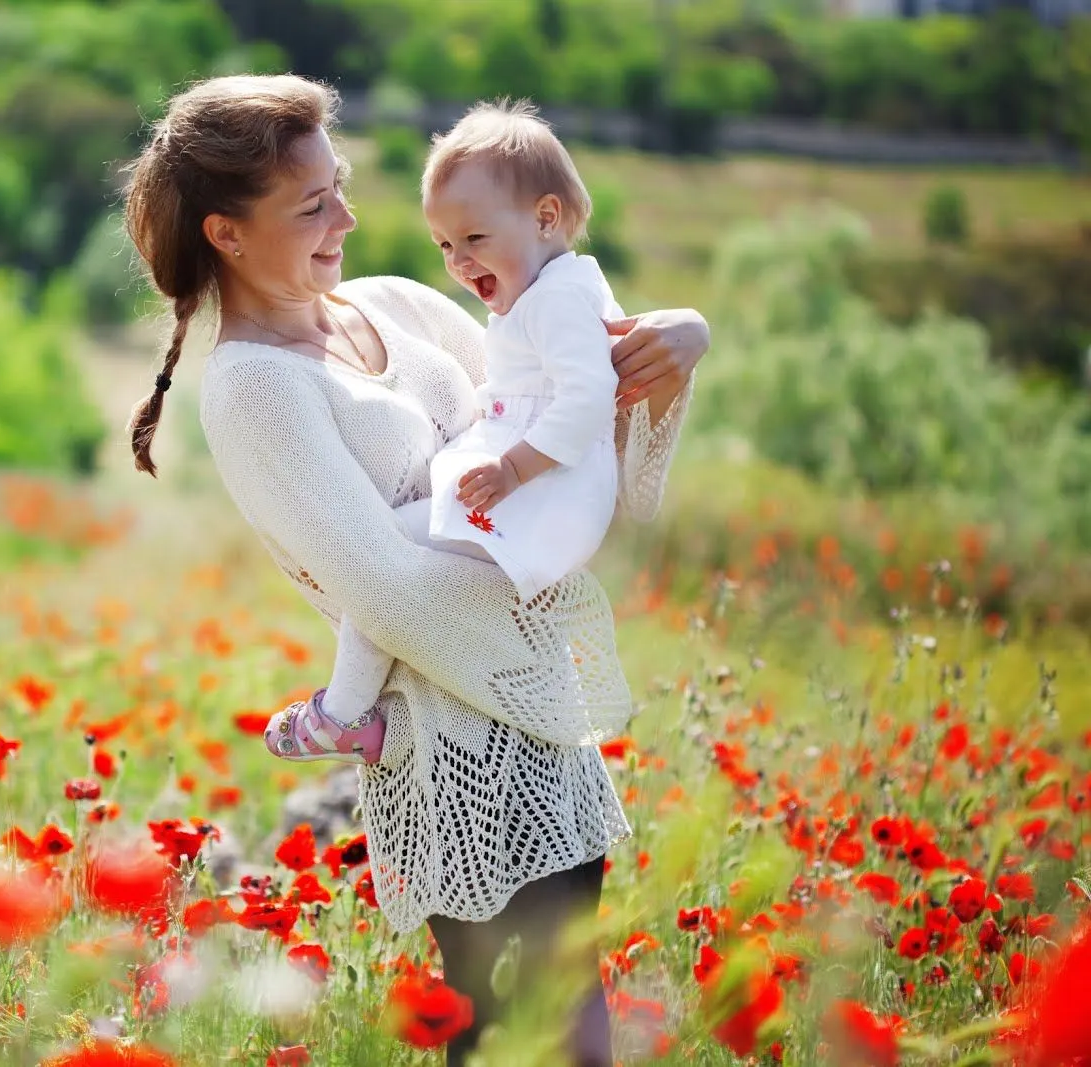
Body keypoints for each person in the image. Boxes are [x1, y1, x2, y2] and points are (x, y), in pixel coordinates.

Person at [122, 74, 708, 1067]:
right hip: (451, 756)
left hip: (541, 728)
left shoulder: (390, 304)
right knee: (498, 1034)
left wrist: (668, 349)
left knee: (578, 1021)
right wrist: (538, 614)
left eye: (339, 186)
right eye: (313, 206)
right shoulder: (254, 389)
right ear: (225, 233)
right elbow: (387, 589)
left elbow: (554, 431)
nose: (347, 215)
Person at [263, 99, 628, 765]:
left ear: (546, 217)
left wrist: (514, 467)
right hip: (540, 486)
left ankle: (343, 714)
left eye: (475, 239)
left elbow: (588, 397)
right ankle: (357, 713)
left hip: (544, 492)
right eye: (445, 245)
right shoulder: (544, 291)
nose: (458, 261)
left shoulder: (556, 300)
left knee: (380, 554)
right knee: (389, 553)